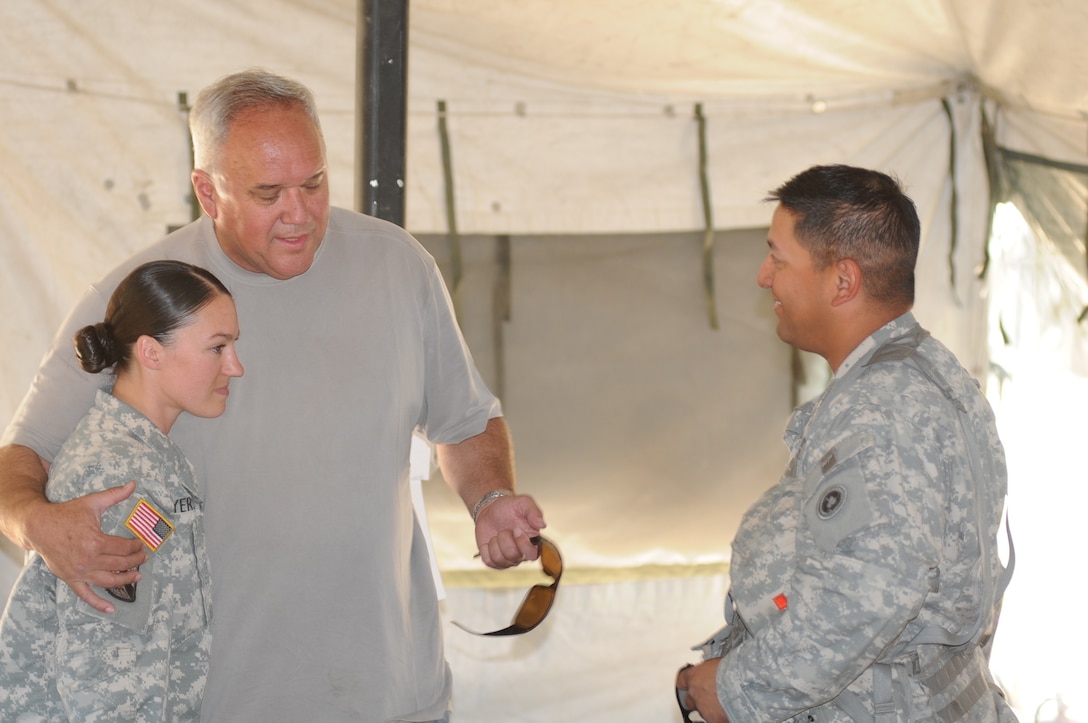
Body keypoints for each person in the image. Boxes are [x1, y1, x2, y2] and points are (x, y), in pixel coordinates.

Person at [0, 69, 545, 722]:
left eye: (313, 183)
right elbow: (23, 456)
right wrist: (38, 525)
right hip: (220, 703)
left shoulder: (397, 266)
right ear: (207, 191)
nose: (299, 212)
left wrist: (489, 498)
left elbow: (465, 421)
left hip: (390, 697)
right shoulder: (139, 297)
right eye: (268, 192)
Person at [676, 165, 1016, 722]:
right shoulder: (919, 370)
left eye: (778, 259)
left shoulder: (884, 407)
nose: (764, 277)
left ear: (843, 281)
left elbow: (864, 595)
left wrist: (736, 689)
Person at [0, 260, 243, 720]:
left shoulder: (148, 458)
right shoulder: (115, 474)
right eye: (217, 347)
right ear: (151, 352)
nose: (236, 366)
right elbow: (105, 671)